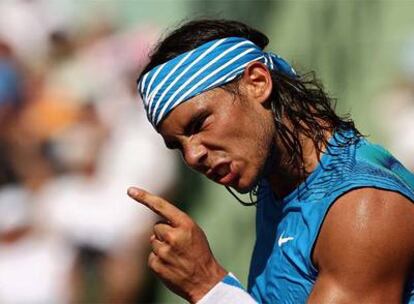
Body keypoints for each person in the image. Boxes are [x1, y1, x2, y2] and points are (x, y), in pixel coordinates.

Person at [129, 19, 414, 303]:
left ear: (258, 82)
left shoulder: (363, 207)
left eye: (200, 123)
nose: (192, 156)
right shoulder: (275, 180)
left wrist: (207, 286)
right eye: (177, 146)